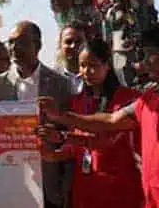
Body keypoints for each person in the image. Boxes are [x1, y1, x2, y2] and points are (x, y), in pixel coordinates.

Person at [40, 16, 159, 208]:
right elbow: (112, 120)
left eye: (150, 55)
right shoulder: (150, 98)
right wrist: (60, 116)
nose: (145, 63)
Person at [0, 20, 75, 208]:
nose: (13, 48)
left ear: (37, 45)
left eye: (20, 42)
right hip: (10, 186)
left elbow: (71, 134)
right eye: (10, 42)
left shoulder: (60, 85)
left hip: (48, 187)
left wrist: (65, 187)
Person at [38, 38, 143, 208]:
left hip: (119, 189)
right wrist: (54, 154)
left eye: (93, 65)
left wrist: (63, 132)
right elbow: (76, 148)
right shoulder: (77, 101)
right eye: (82, 65)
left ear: (107, 65)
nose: (87, 71)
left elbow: (106, 142)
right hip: (85, 189)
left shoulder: (128, 100)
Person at [54, 22, 86, 93]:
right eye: (68, 42)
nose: (73, 46)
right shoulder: (51, 79)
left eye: (79, 41)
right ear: (60, 45)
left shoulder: (97, 78)